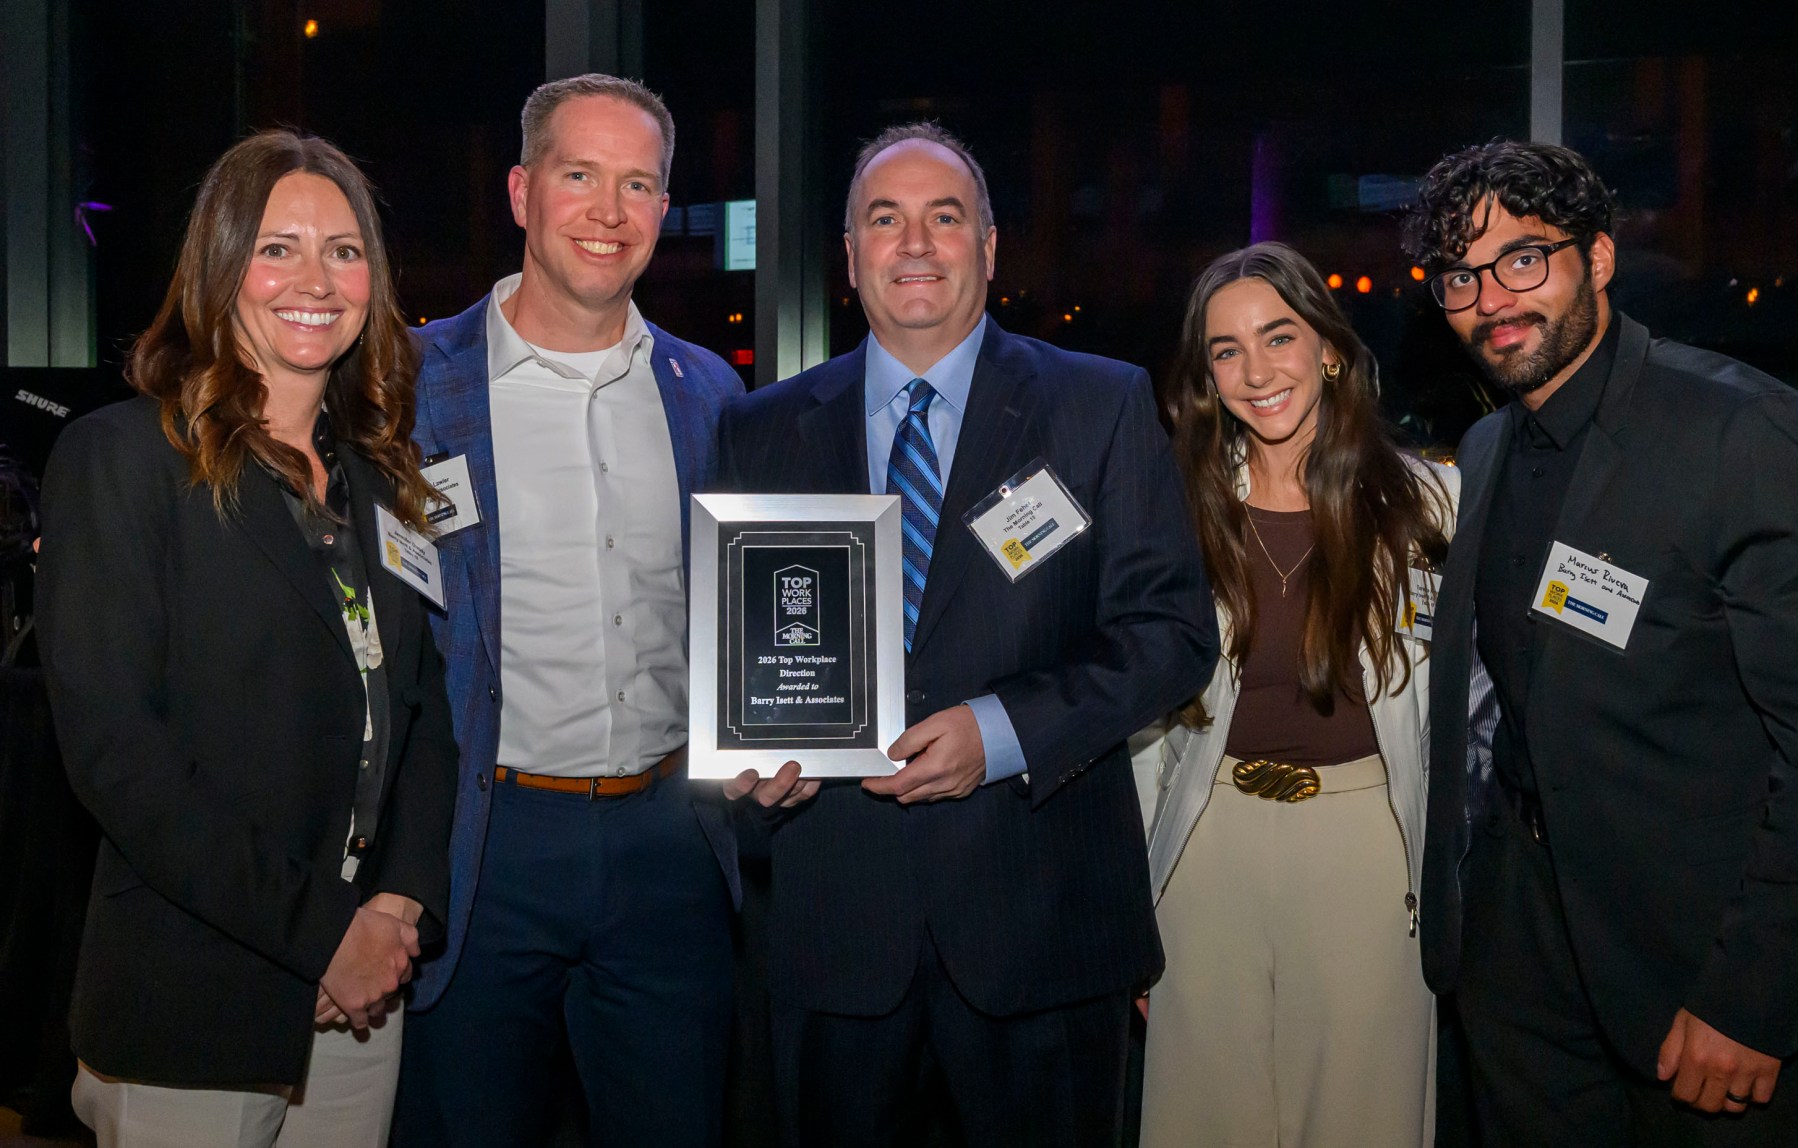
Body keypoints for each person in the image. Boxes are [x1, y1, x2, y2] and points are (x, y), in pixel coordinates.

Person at [710, 122, 1219, 1147]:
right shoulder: (759, 427)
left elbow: (1171, 633)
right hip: (837, 929)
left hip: (1041, 928)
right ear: (847, 257)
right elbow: (740, 655)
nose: (914, 243)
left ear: (988, 247)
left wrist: (1002, 731)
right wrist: (747, 766)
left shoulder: (1098, 402)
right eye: (883, 219)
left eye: (945, 218)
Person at [1403, 139, 1798, 1145]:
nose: (1492, 297)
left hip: (1694, 976)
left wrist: (1752, 994)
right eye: (1461, 273)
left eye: (1523, 258)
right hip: (1521, 970)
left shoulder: (1744, 431)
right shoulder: (1491, 445)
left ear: (1597, 258)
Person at [36, 129, 456, 1147]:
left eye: (345, 250)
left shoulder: (381, 475)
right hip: (198, 995)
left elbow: (421, 709)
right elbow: (117, 757)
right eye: (278, 247)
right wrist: (326, 936)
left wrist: (396, 907)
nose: (315, 279)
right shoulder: (122, 457)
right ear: (221, 264)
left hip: (363, 993)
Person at [390, 75, 748, 1147]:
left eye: (637, 183)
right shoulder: (409, 386)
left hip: (669, 847)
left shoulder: (706, 392)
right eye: (579, 175)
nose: (608, 210)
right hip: (483, 844)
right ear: (519, 192)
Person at [1141, 241, 1457, 1146]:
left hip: (1368, 852)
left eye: (1277, 337)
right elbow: (1141, 732)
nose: (1255, 371)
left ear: (1327, 348)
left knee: (1364, 1122)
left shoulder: (1430, 505)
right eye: (1225, 351)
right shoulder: (1177, 511)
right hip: (1206, 846)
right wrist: (1134, 900)